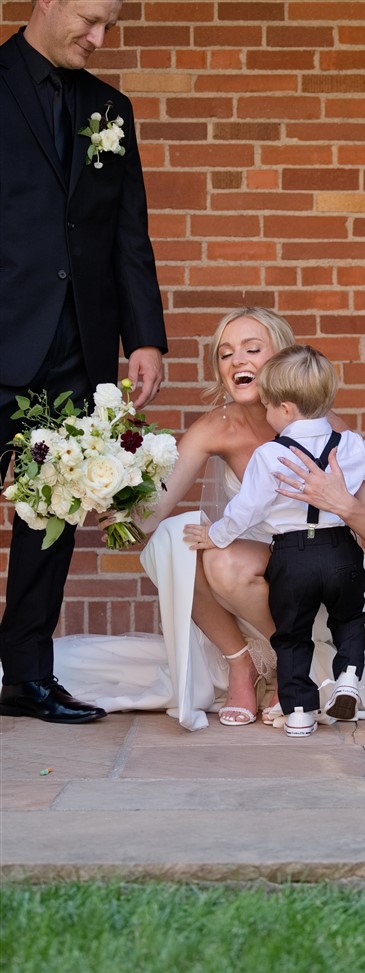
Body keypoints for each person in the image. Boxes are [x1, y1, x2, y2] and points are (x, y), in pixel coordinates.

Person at [49, 306, 365, 731]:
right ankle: (245, 665)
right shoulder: (215, 428)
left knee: (235, 559)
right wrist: (90, 484)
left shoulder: (331, 432)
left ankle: (303, 665)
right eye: (225, 354)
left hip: (328, 575)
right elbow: (146, 522)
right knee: (176, 538)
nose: (237, 360)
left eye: (252, 349)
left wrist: (342, 503)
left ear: (283, 358)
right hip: (261, 571)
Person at [0, 0, 167, 724]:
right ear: (46, 2)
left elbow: (128, 230)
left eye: (109, 27)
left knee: (50, 523)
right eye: (90, 21)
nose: (98, 40)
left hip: (76, 351)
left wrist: (145, 337)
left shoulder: (111, 109)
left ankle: (26, 677)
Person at [184, 345, 365, 737]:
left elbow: (245, 510)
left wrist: (215, 536)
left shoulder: (270, 455)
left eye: (269, 407)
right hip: (341, 552)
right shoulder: (350, 445)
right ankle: (348, 678)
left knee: (292, 633)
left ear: (285, 409)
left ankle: (300, 713)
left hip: (293, 556)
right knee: (349, 619)